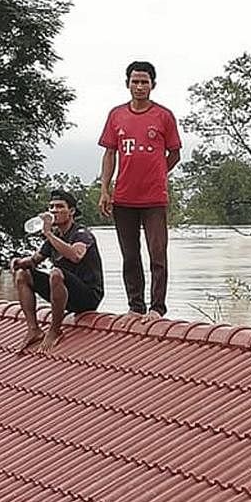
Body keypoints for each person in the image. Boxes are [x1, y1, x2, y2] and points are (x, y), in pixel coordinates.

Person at [98, 60, 182, 321]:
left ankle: (157, 307)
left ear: (153, 85)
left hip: (154, 197)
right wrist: (105, 189)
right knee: (129, 255)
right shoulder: (116, 115)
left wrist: (158, 173)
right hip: (124, 197)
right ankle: (136, 306)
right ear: (127, 84)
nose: (140, 86)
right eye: (135, 81)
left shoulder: (163, 116)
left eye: (144, 81)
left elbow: (175, 153)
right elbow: (110, 153)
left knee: (158, 252)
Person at [11, 189, 105, 352]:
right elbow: (34, 261)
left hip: (87, 295)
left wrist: (48, 233)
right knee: (23, 275)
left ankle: (55, 330)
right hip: (63, 290)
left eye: (60, 207)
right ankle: (34, 329)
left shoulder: (82, 234)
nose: (54, 211)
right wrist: (18, 262)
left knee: (55, 273)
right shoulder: (54, 238)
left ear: (71, 212)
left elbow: (76, 255)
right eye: (51, 207)